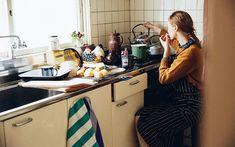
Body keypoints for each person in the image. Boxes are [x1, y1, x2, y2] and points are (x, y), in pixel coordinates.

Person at [135, 10, 203, 147]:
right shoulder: (188, 44)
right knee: (140, 115)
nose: (168, 30)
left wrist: (165, 53)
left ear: (176, 28)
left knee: (144, 125)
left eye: (169, 26)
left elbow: (164, 78)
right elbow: (169, 38)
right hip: (180, 102)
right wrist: (153, 27)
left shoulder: (190, 53)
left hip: (189, 108)